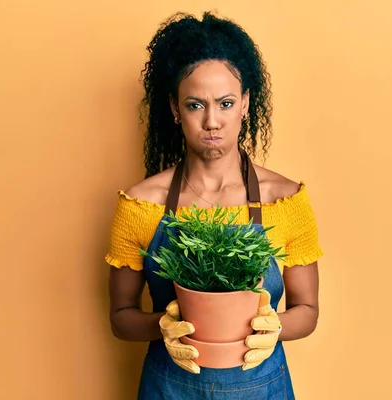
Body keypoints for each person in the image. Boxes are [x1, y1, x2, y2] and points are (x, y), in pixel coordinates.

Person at [106, 11, 323, 399]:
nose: (212, 121)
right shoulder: (141, 205)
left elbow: (307, 309)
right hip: (169, 388)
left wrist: (273, 329)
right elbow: (121, 318)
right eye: (195, 105)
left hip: (262, 388)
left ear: (245, 104)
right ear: (174, 109)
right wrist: (163, 326)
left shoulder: (284, 199)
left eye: (225, 103)